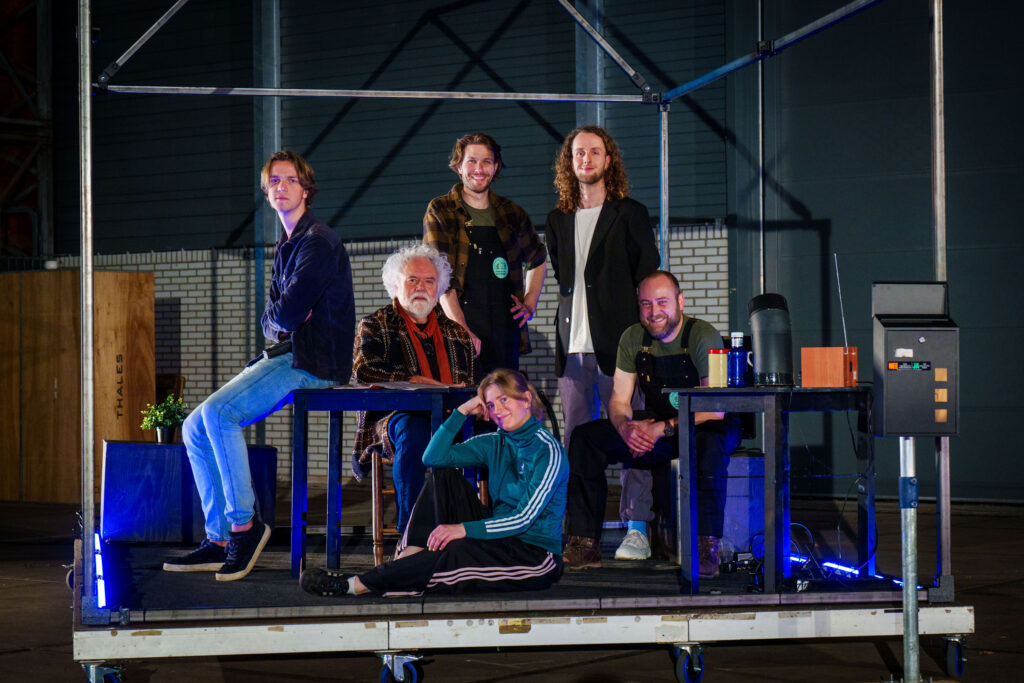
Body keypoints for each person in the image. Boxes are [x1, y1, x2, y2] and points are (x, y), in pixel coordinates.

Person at [164, 150, 355, 581]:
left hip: (315, 363)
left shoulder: (319, 241)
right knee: (194, 427)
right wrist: (283, 318)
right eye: (275, 182)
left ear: (306, 189)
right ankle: (218, 540)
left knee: (220, 414)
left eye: (290, 180)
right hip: (288, 354)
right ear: (267, 193)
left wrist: (285, 317)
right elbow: (272, 321)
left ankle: (244, 528)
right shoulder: (287, 246)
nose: (282, 187)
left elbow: (285, 315)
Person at [301, 369, 567, 598]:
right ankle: (409, 556)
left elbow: (523, 519)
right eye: (491, 404)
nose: (498, 410)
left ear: (527, 399)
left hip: (533, 555)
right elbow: (433, 458)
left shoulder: (548, 451)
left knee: (457, 552)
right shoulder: (495, 442)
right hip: (499, 538)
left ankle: (357, 585)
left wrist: (462, 529)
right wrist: (462, 411)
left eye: (504, 399)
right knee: (444, 477)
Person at [562, 271, 740, 578]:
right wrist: (625, 428)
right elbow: (619, 400)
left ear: (680, 302)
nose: (654, 311)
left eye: (662, 302)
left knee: (709, 444)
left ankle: (705, 547)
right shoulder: (632, 338)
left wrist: (661, 428)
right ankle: (585, 544)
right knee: (585, 438)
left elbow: (715, 408)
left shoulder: (702, 335)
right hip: (660, 427)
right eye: (646, 304)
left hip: (706, 425)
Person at [545, 125, 660, 558]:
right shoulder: (557, 219)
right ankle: (581, 533)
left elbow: (647, 275)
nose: (586, 159)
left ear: (608, 160)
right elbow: (564, 277)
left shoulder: (630, 213)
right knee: (577, 441)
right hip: (573, 348)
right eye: (579, 153)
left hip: (621, 346)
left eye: (595, 152)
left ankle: (637, 528)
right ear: (569, 162)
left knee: (631, 432)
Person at [350, 244, 475, 533]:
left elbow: (470, 383)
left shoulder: (457, 332)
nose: (421, 287)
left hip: (452, 416)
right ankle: (413, 535)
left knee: (501, 432)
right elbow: (364, 371)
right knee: (413, 429)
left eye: (430, 281)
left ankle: (481, 531)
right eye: (412, 280)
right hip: (393, 417)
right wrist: (412, 380)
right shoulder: (375, 324)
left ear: (438, 288)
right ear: (395, 285)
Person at [423, 132, 547, 377]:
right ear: (459, 166)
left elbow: (538, 257)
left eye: (486, 162)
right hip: (459, 331)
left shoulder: (512, 213)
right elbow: (440, 275)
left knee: (504, 399)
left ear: (496, 167)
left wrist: (530, 303)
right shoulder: (441, 210)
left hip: (505, 332)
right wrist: (461, 329)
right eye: (471, 161)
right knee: (465, 399)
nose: (479, 169)